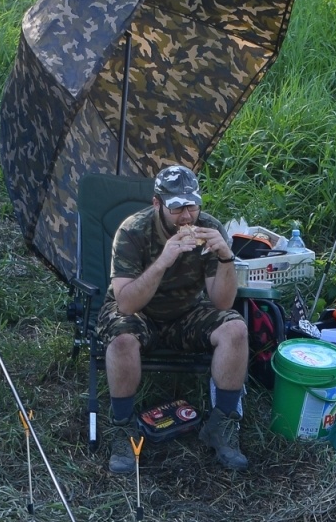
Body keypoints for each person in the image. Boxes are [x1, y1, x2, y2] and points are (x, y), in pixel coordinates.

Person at [99, 164, 249, 473]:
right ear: (157, 204)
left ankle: (221, 423)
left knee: (235, 328)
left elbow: (222, 301)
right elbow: (125, 303)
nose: (186, 215)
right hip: (139, 312)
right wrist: (164, 260)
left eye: (191, 205)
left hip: (185, 314)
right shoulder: (133, 230)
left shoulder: (209, 228)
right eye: (176, 206)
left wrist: (225, 257)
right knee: (123, 337)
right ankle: (123, 427)